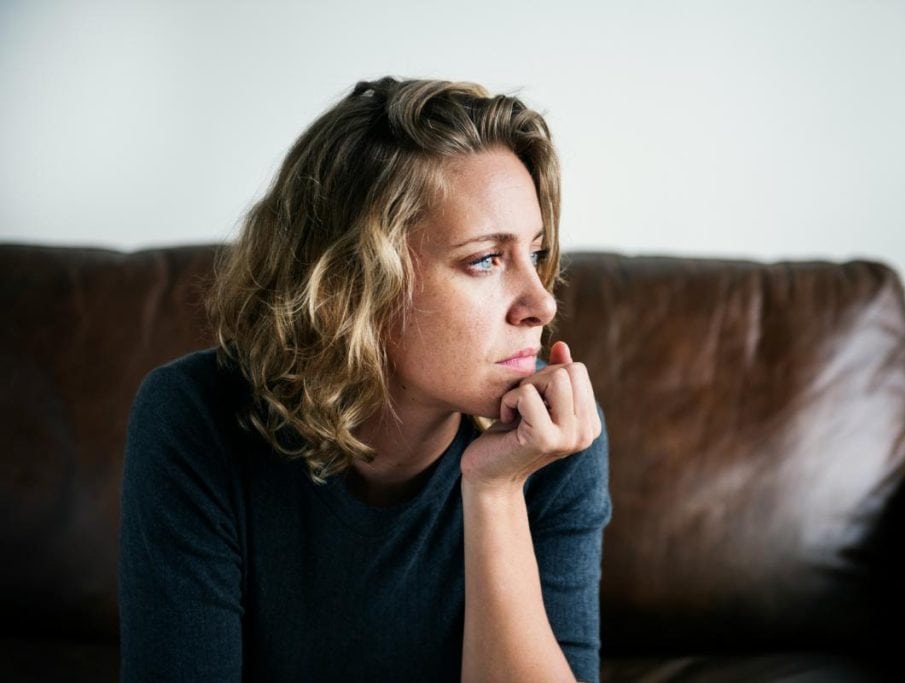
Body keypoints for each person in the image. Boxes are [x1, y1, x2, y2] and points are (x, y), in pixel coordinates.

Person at [118, 77, 611, 682]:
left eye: (534, 254)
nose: (541, 303)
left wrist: (496, 492)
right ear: (353, 284)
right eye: (485, 259)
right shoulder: (194, 417)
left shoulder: (552, 435)